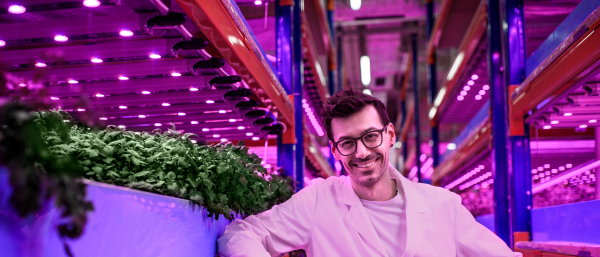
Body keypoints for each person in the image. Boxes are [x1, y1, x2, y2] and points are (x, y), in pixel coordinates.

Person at [217, 89, 522, 257]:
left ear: (390, 135)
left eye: (370, 137)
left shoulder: (443, 206)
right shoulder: (317, 202)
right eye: (348, 143)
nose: (361, 152)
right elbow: (241, 233)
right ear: (335, 151)